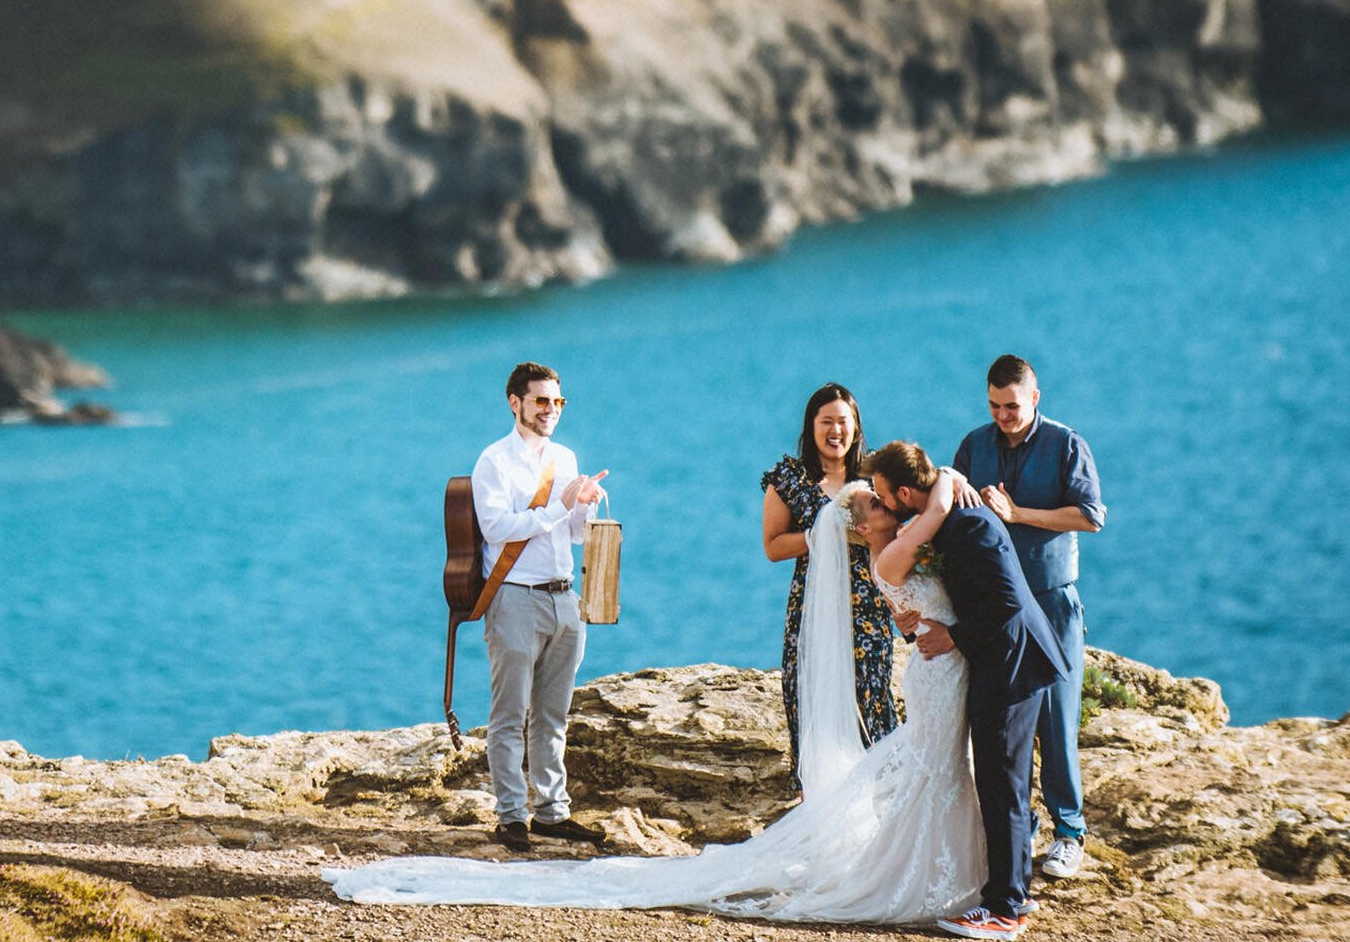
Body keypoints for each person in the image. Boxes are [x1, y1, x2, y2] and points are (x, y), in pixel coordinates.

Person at [326, 472, 988, 923]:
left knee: (937, 771)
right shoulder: (893, 552)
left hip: (938, 667)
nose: (880, 508)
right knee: (932, 769)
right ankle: (922, 874)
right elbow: (927, 521)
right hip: (937, 670)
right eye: (873, 503)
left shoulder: (894, 550)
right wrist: (951, 487)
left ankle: (940, 868)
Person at [865, 440, 1069, 939]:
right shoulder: (951, 519)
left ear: (907, 493)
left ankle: (1005, 909)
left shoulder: (970, 525)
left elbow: (1004, 605)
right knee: (1002, 783)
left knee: (1002, 786)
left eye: (884, 495)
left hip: (1011, 664)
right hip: (998, 662)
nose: (884, 504)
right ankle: (1012, 890)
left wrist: (951, 635)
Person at [951, 355, 1105, 882]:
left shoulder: (1066, 445)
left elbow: (1090, 515)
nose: (1003, 415)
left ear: (1034, 397)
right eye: (994, 406)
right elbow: (953, 516)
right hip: (994, 609)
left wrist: (1019, 515)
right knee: (998, 726)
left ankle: (1070, 832)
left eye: (1011, 406)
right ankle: (1024, 823)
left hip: (1052, 600)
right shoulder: (973, 446)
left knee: (1056, 721)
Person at [471, 362, 609, 852]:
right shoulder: (494, 462)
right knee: (510, 714)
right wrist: (559, 506)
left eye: (558, 402)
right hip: (514, 598)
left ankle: (552, 813)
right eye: (541, 401)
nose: (551, 410)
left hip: (562, 596)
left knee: (553, 715)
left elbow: (570, 535)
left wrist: (585, 506)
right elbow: (497, 529)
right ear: (516, 403)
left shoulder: (566, 458)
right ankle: (511, 815)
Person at [761, 383, 899, 792]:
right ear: (812, 427)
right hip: (813, 606)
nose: (835, 431)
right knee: (807, 691)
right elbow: (772, 546)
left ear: (856, 427)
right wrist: (826, 530)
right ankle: (816, 795)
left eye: (844, 422)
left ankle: (889, 790)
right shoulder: (789, 477)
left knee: (873, 692)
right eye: (827, 422)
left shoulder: (876, 476)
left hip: (869, 605)